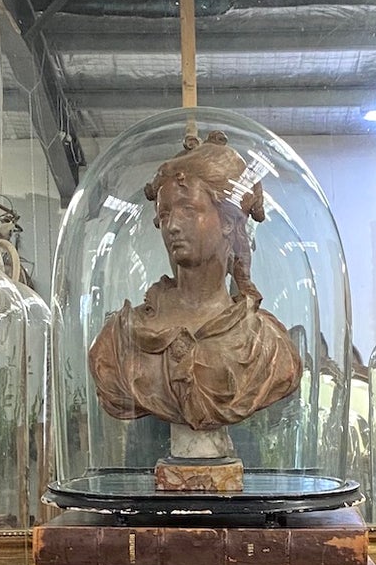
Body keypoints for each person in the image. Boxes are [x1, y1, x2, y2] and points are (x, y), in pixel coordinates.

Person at [88, 132, 303, 442]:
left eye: (188, 210)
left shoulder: (267, 346)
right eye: (164, 214)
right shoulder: (120, 340)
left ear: (229, 221)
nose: (172, 226)